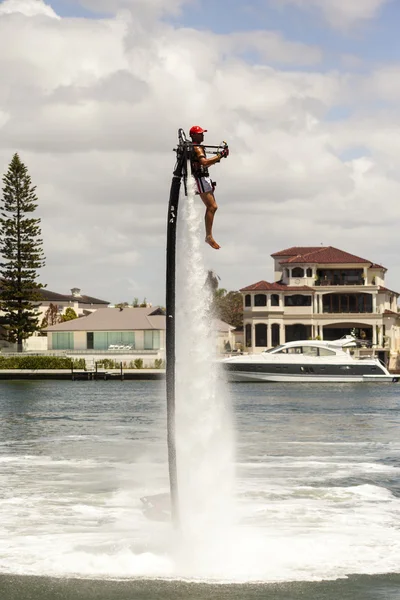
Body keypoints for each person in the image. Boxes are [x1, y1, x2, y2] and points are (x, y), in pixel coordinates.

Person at [189, 125, 229, 250]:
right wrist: (220, 155)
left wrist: (218, 158)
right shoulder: (197, 148)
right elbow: (204, 162)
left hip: (203, 178)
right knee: (212, 206)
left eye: (202, 133)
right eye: (200, 133)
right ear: (194, 135)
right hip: (200, 179)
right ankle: (208, 236)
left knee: (213, 207)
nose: (202, 135)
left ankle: (209, 235)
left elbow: (203, 165)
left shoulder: (197, 148)